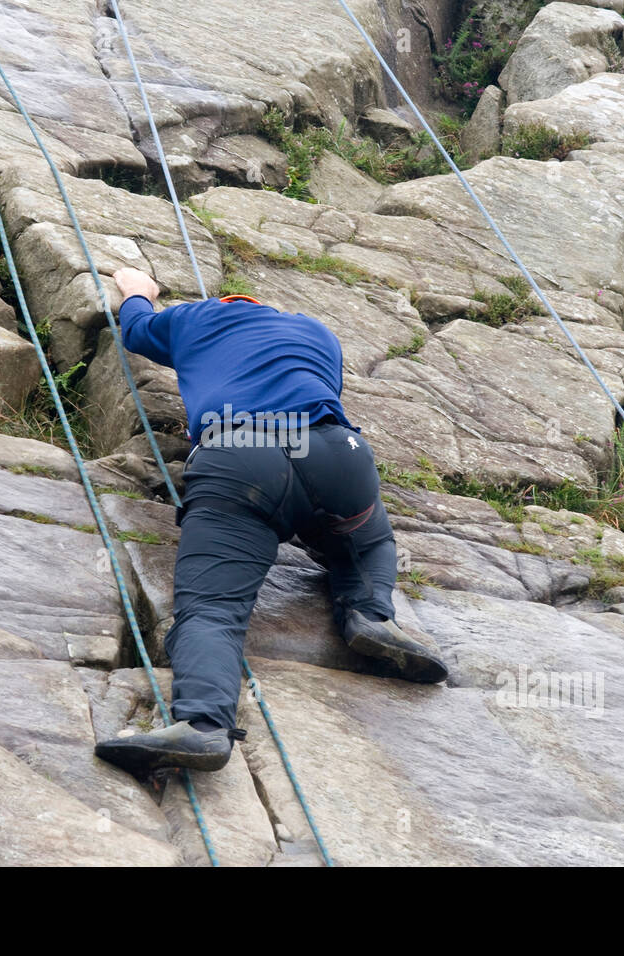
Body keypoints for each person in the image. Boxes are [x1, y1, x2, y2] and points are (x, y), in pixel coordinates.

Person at [94, 268, 448, 777]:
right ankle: (370, 615)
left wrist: (137, 291)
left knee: (213, 607)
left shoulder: (195, 317)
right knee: (366, 542)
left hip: (240, 455)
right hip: (337, 453)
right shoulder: (318, 333)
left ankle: (204, 726)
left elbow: (137, 330)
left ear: (224, 303)